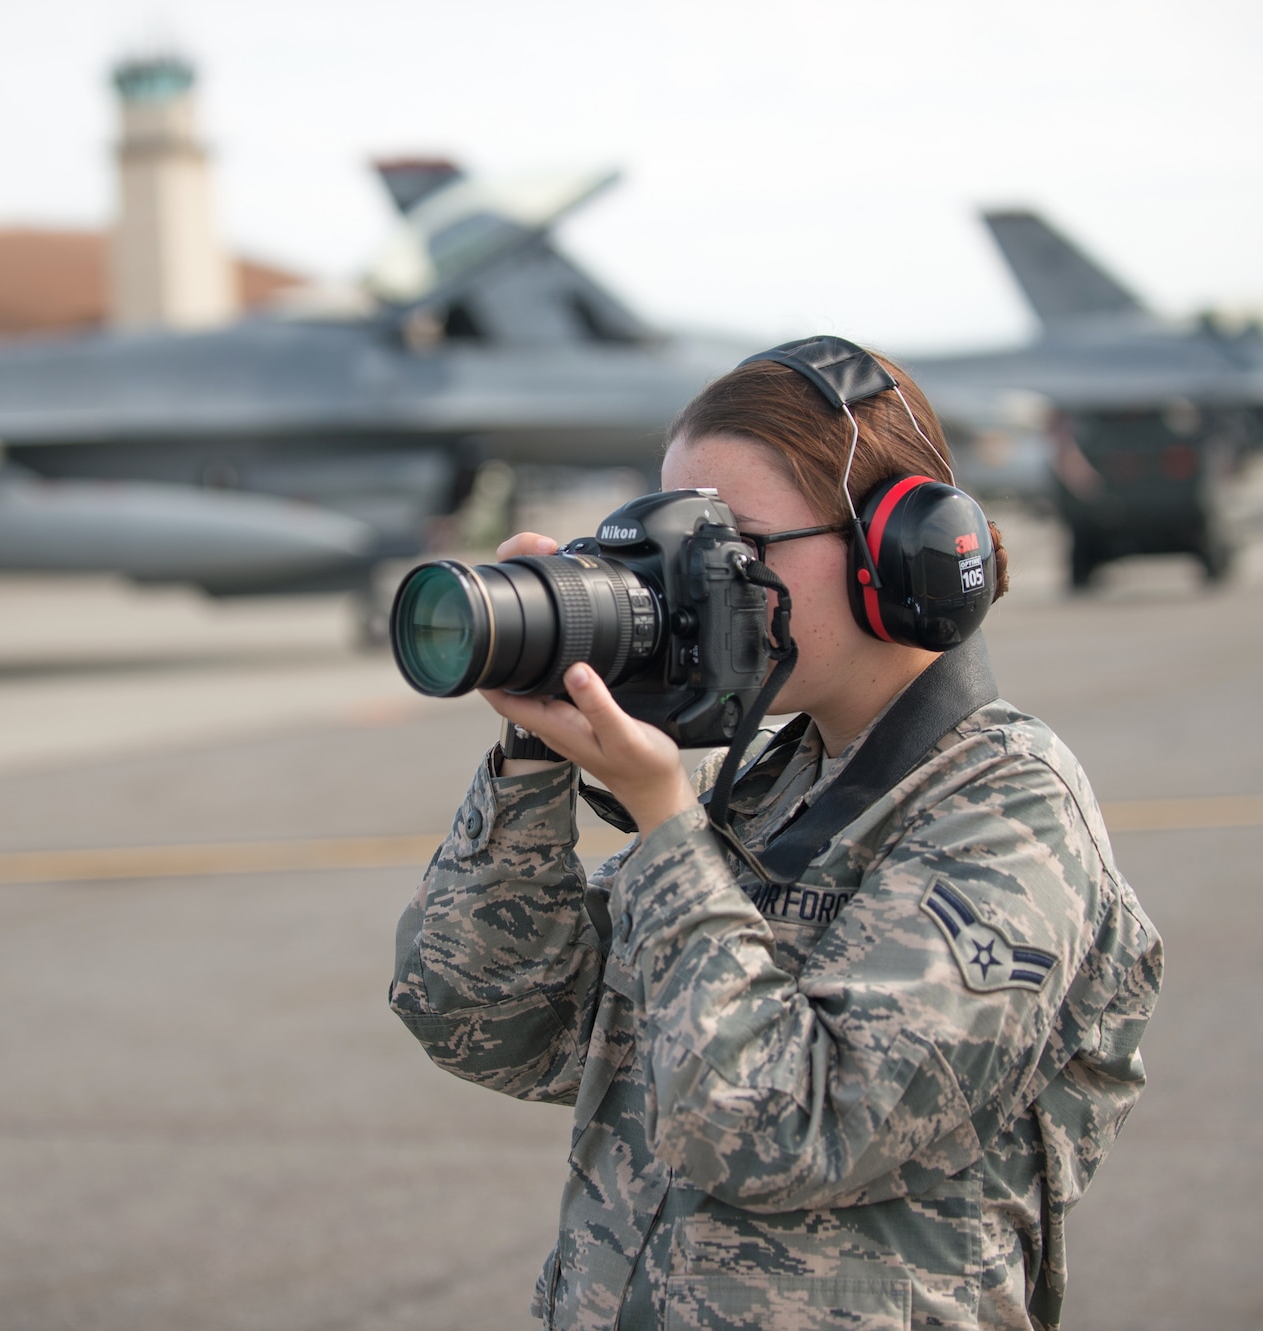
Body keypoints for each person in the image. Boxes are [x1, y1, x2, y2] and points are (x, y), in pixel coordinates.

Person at [388, 340, 1162, 1331]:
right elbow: (491, 1023)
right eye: (670, 551)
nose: (685, 591)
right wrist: (536, 747)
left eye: (733, 549)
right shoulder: (757, 791)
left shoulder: (1007, 810)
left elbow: (792, 1131)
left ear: (893, 553)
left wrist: (668, 828)